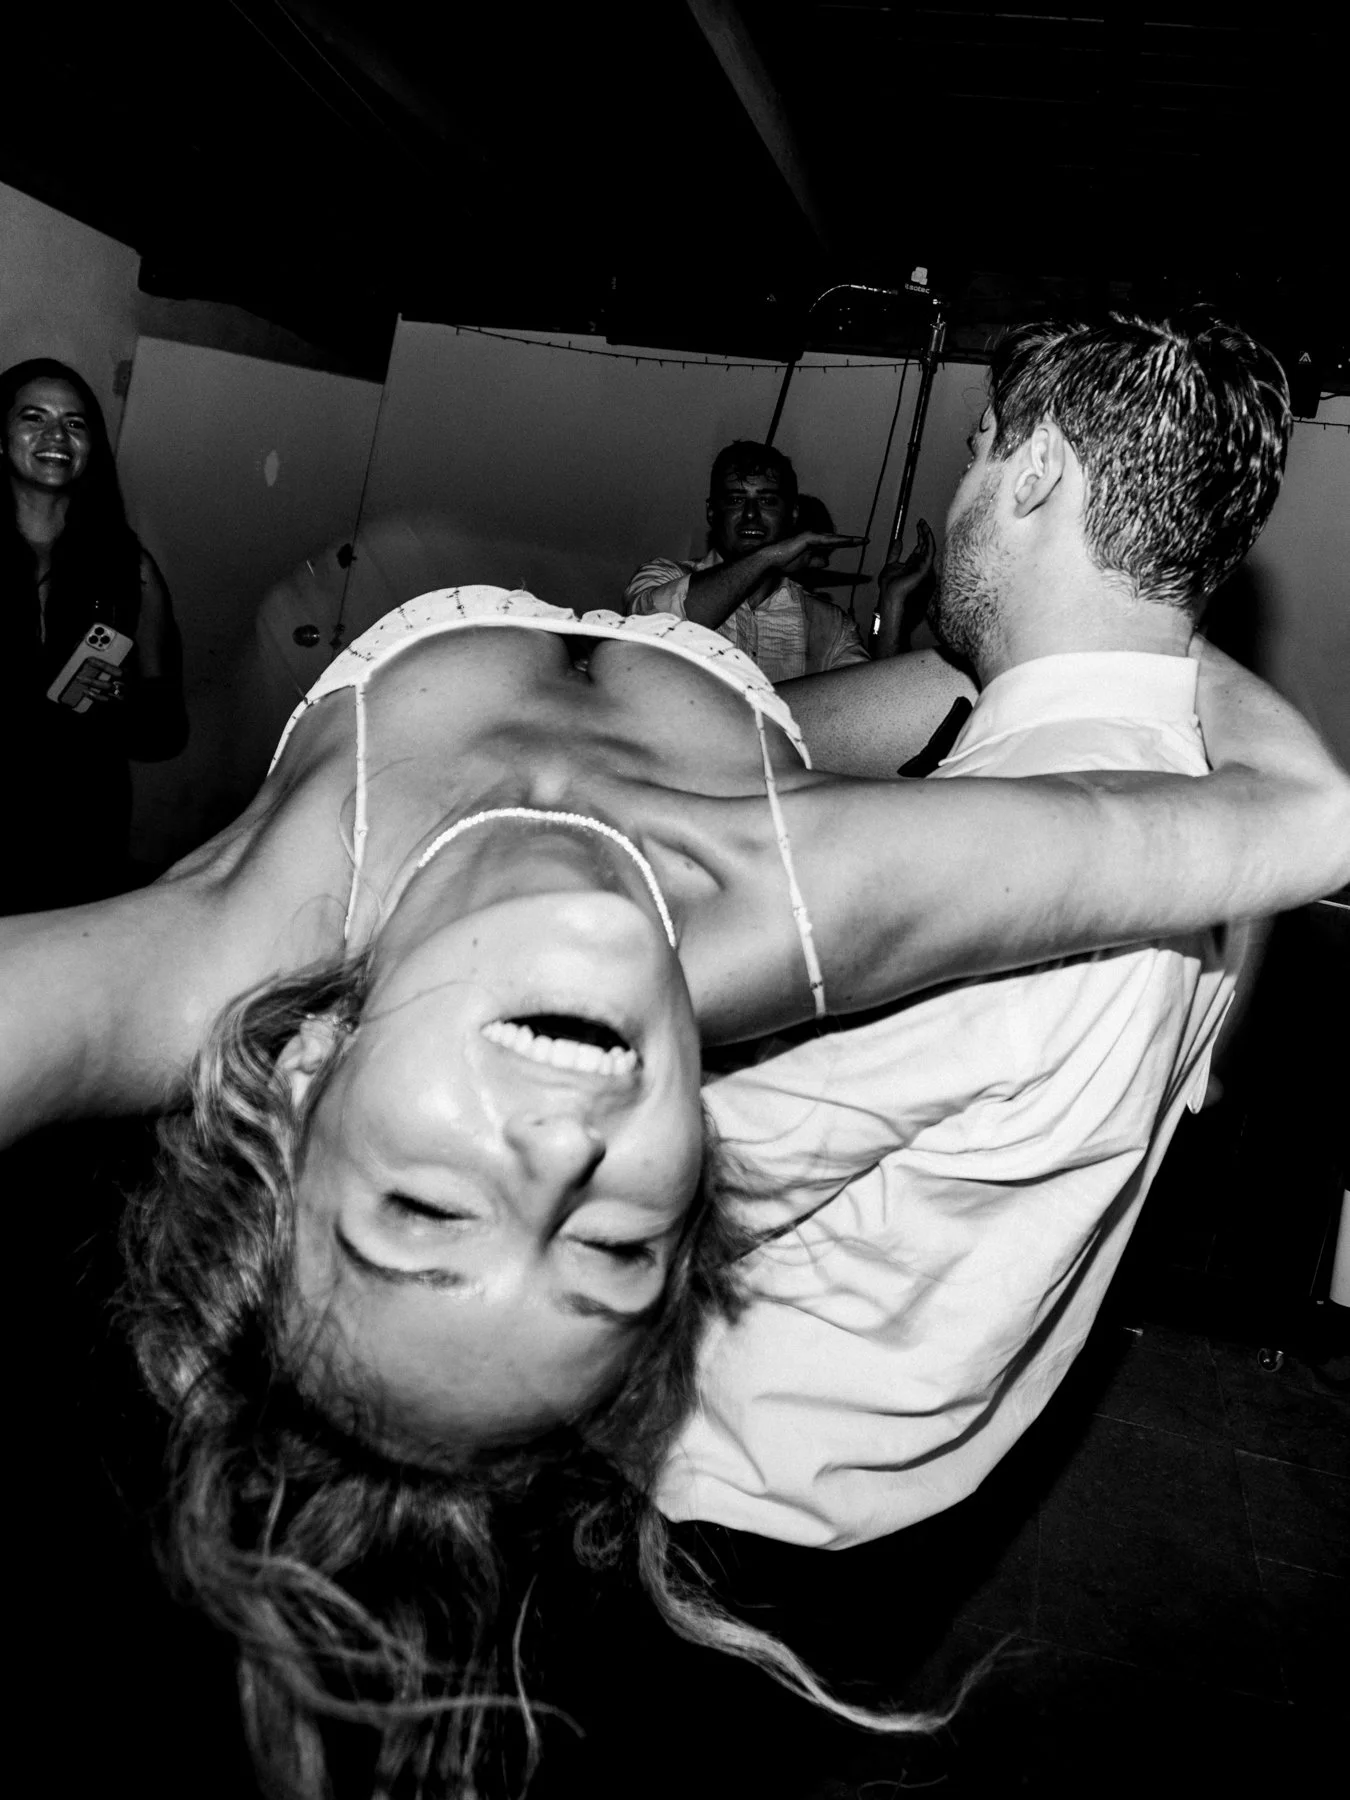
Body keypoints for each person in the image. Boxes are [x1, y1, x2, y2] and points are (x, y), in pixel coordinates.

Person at [1, 555, 1347, 1798]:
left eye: (426, 1210)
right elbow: (1314, 815)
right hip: (739, 739)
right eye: (609, 1252)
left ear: (302, 1090)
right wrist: (1150, 628)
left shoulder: (213, 952)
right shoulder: (825, 902)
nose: (556, 1161)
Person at [655, 312, 1307, 1553]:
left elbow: (667, 1166)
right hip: (896, 1482)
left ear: (1039, 472)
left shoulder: (1029, 850)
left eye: (976, 451)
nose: (955, 493)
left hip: (713, 1494)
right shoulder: (1198, 797)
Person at [2, 358, 187, 912]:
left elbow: (166, 732)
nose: (56, 435)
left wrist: (121, 701)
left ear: (91, 449)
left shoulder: (128, 569)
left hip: (79, 841)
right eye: (33, 417)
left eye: (75, 422)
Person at [624, 440, 871, 679]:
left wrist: (893, 606)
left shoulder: (831, 625)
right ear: (712, 512)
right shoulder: (662, 575)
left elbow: (869, 706)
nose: (751, 514)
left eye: (766, 501)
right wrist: (767, 557)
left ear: (793, 513)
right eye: (736, 500)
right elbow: (649, 629)